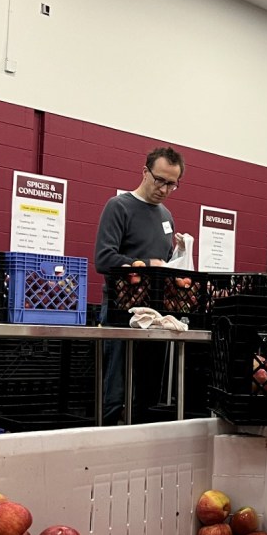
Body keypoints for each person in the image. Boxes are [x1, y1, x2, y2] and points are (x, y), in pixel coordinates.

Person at [94, 145, 185, 424]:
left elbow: (164, 264)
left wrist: (178, 257)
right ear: (145, 172)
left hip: (156, 316)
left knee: (146, 393)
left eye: (172, 184)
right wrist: (147, 265)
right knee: (115, 391)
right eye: (160, 180)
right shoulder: (119, 206)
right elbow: (104, 258)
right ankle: (104, 444)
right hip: (123, 314)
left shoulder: (166, 217)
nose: (165, 189)